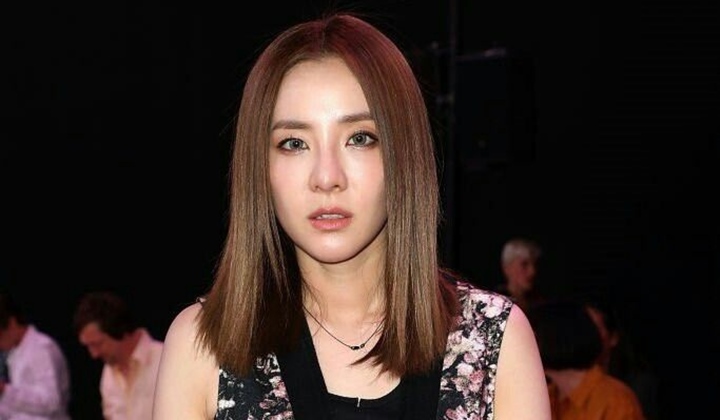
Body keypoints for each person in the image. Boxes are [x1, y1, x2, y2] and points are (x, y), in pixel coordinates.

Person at [152, 12, 551, 419]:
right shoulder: (202, 348)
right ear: (259, 166)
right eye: (294, 143)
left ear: (404, 154)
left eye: (360, 138)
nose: (327, 177)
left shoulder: (493, 340)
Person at [527, 298, 645, 420]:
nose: (520, 346)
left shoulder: (615, 400)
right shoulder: (544, 398)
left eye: (530, 337)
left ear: (556, 339)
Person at [72, 291, 163, 420]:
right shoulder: (108, 372)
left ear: (118, 330)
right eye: (88, 346)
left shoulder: (164, 361)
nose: (94, 354)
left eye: (98, 344)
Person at [583, 297, 660, 420]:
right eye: (583, 330)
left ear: (613, 338)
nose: (587, 337)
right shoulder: (572, 384)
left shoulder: (635, 385)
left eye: (594, 329)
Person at [0, 292, 71, 420]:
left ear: (12, 323)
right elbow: (18, 411)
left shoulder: (41, 349)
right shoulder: (16, 352)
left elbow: (51, 402)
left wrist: (4, 391)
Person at [494, 237, 545, 311]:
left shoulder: (542, 304)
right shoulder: (495, 304)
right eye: (524, 264)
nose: (532, 272)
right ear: (507, 267)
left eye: (535, 264)